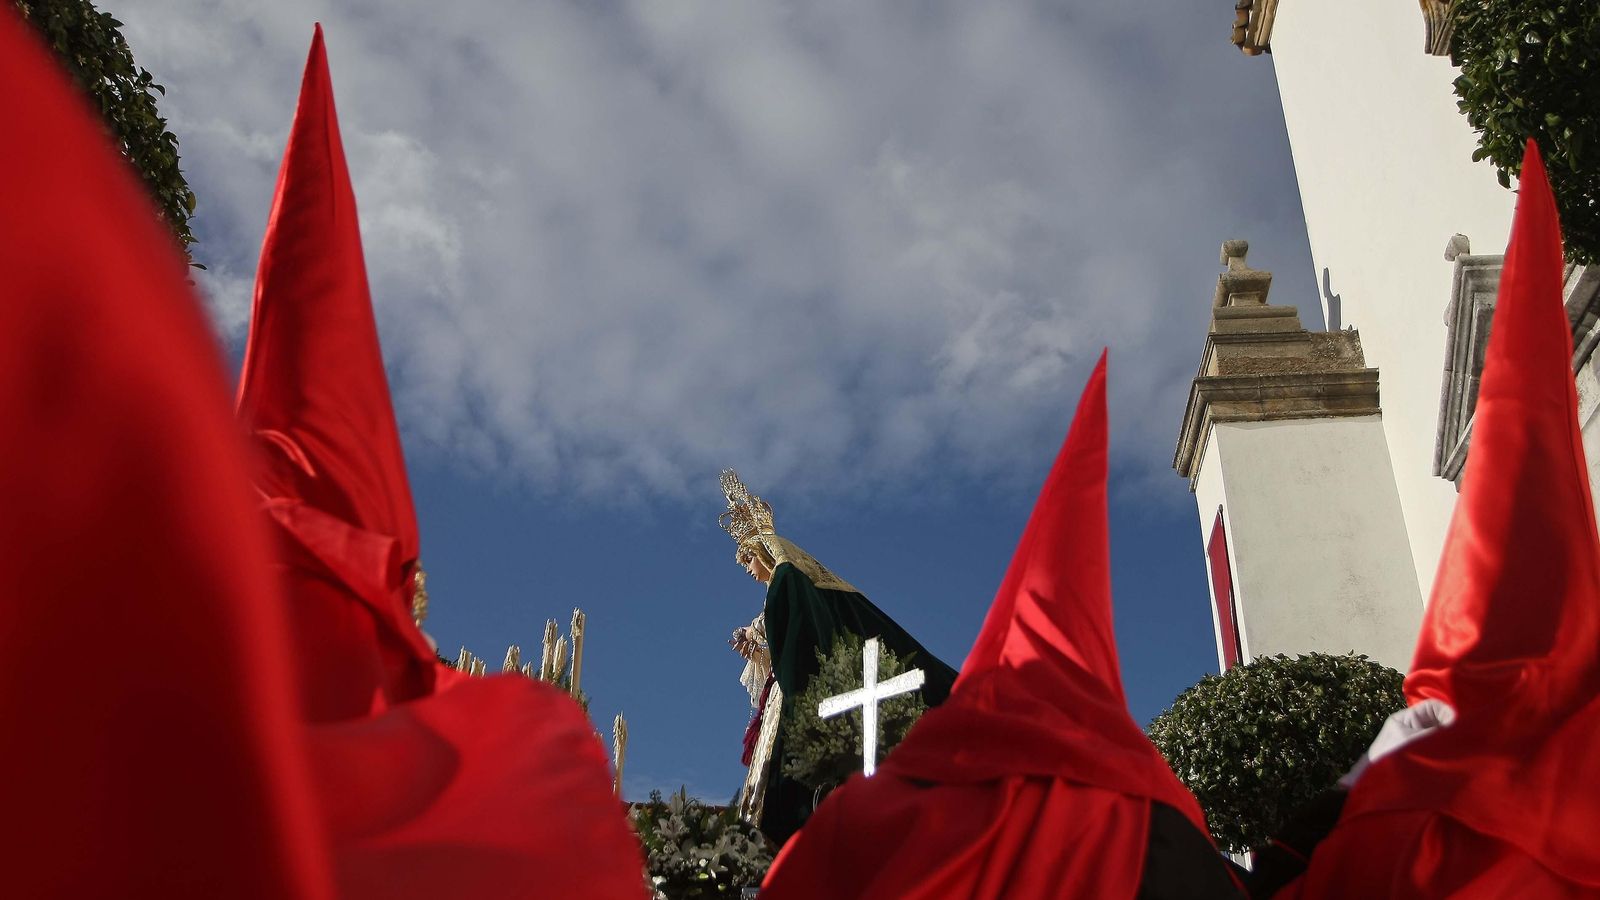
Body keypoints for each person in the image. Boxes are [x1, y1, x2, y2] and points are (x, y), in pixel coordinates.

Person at [721, 469, 958, 846]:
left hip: (798, 696)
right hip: (780, 696)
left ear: (764, 553)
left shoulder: (787, 584)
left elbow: (799, 644)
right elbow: (779, 659)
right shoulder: (771, 601)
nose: (748, 570)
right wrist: (759, 653)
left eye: (748, 560)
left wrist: (768, 649)